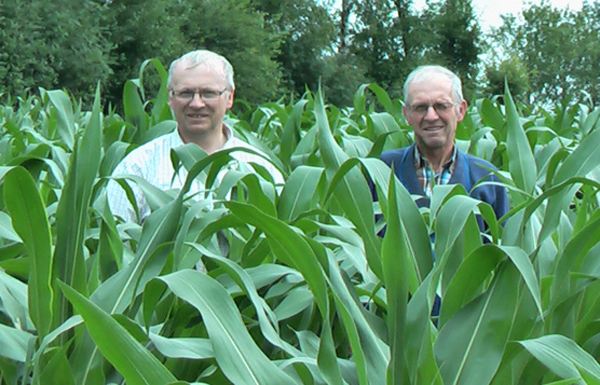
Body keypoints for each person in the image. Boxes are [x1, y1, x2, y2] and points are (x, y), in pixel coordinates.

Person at [107, 49, 284, 223]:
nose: (197, 103)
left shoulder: (260, 168)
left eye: (208, 93)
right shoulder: (137, 168)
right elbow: (115, 243)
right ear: (170, 97)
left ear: (229, 97)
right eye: (186, 93)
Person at [379, 65, 508, 235]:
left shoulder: (487, 179)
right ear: (407, 114)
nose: (431, 116)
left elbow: (500, 252)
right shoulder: (381, 171)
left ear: (460, 111)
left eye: (441, 106)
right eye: (420, 107)